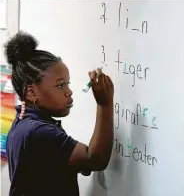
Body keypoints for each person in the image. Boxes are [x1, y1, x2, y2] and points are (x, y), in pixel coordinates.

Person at [5, 31, 114, 196]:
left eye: (67, 84)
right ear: (31, 92)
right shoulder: (39, 132)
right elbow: (94, 159)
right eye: (60, 85)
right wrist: (104, 104)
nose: (69, 92)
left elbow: (65, 161)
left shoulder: (22, 122)